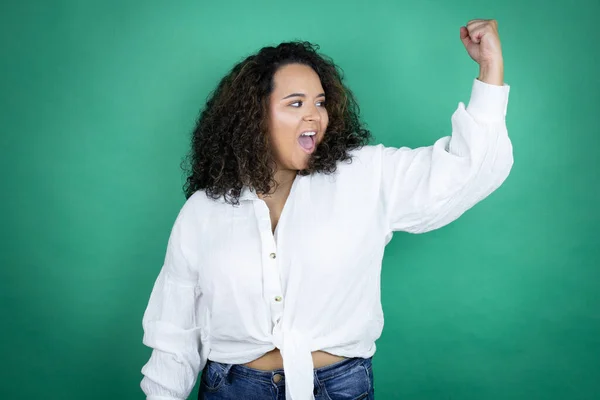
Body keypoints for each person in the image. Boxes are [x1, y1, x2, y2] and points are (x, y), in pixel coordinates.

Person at [140, 18, 512, 400]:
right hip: (233, 389)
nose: (314, 115)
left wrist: (490, 70)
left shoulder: (365, 177)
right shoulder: (204, 211)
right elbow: (175, 333)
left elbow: (466, 171)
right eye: (295, 103)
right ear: (254, 116)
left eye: (319, 102)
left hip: (339, 387)